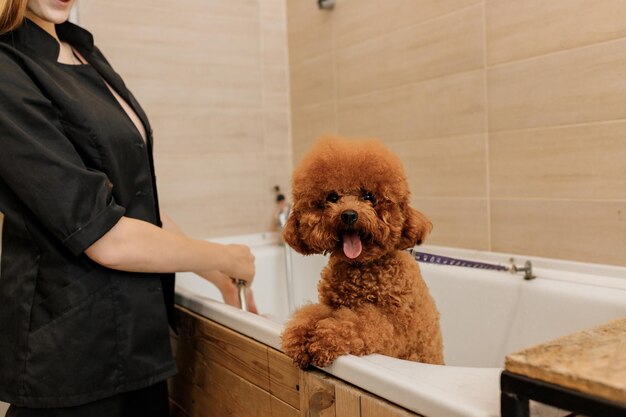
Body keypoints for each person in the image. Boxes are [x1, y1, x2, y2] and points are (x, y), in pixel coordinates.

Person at [0, 0, 258, 415]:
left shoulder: (80, 47)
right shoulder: (7, 70)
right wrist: (224, 254)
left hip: (140, 343)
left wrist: (218, 274)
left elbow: (132, 204)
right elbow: (106, 237)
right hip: (75, 357)